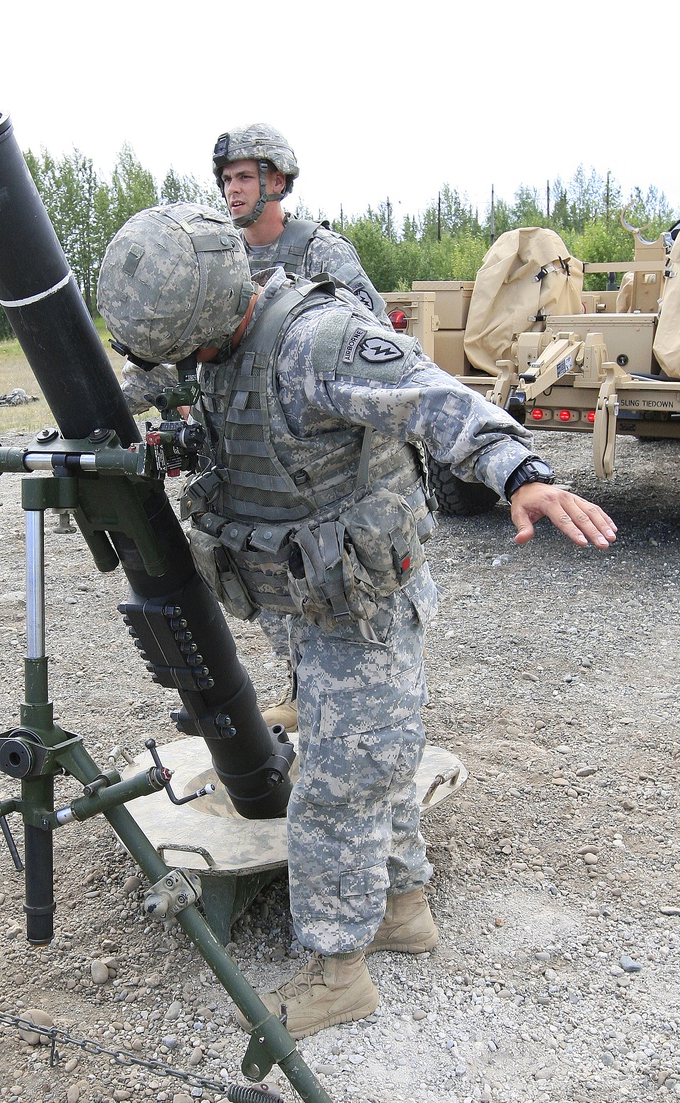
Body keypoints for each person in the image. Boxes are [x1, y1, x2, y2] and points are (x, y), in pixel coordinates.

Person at [97, 204, 618, 1040]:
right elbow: (147, 387)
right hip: (297, 593)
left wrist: (520, 471)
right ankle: (404, 908)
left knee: (335, 784)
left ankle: (339, 972)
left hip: (364, 601)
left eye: (185, 346)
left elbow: (435, 399)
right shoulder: (202, 340)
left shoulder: (316, 339)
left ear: (217, 306)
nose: (182, 364)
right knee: (376, 751)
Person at [212, 122, 387, 321]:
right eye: (227, 179)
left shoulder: (324, 252)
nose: (232, 189)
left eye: (244, 177)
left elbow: (378, 329)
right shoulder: (222, 258)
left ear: (278, 182)